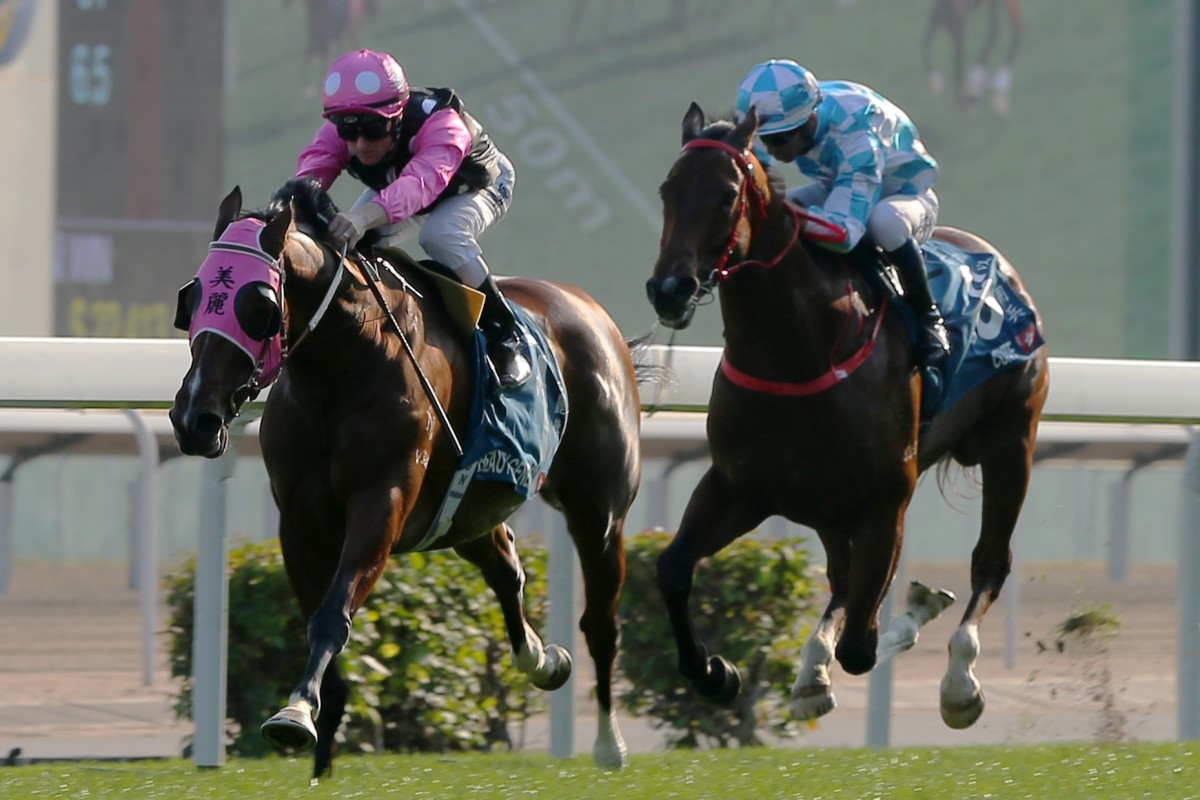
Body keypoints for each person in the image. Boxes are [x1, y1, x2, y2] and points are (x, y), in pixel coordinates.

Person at [294, 49, 530, 388]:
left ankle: (505, 335)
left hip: (473, 185)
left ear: (397, 115)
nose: (360, 143)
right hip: (406, 187)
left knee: (440, 234)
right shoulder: (343, 131)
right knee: (350, 242)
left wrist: (362, 217)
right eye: (348, 132)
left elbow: (419, 187)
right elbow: (307, 180)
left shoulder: (441, 124)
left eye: (373, 129)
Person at [735, 58, 951, 378]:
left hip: (901, 193)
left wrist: (789, 214)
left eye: (778, 140)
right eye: (763, 140)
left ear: (808, 121)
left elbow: (845, 233)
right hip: (838, 182)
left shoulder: (856, 136)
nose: (771, 150)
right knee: (775, 217)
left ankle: (928, 318)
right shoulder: (788, 117)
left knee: (883, 224)